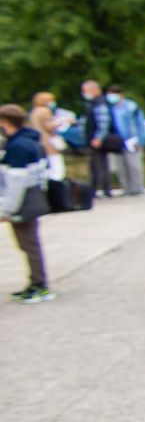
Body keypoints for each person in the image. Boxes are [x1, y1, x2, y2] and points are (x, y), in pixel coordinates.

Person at [3, 104, 55, 303]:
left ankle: (39, 284)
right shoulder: (30, 140)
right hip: (32, 196)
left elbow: (16, 181)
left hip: (21, 201)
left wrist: (6, 209)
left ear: (6, 122)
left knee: (28, 244)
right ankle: (36, 281)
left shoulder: (17, 146)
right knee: (30, 243)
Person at [105, 86, 145, 195]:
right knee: (121, 166)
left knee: (134, 165)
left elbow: (140, 124)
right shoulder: (111, 108)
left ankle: (138, 188)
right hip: (118, 141)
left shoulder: (131, 106)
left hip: (132, 139)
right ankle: (127, 188)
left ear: (121, 94)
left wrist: (140, 140)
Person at [80, 79, 118, 198]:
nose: (84, 93)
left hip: (96, 139)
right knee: (100, 165)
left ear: (94, 90)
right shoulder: (93, 103)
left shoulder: (99, 103)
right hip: (94, 138)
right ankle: (104, 189)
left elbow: (103, 122)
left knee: (97, 166)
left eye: (85, 91)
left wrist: (98, 138)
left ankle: (97, 190)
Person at [28, 92, 66, 183]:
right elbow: (48, 126)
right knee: (56, 165)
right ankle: (57, 185)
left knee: (45, 165)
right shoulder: (45, 111)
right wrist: (62, 121)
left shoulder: (34, 111)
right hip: (48, 141)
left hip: (38, 140)